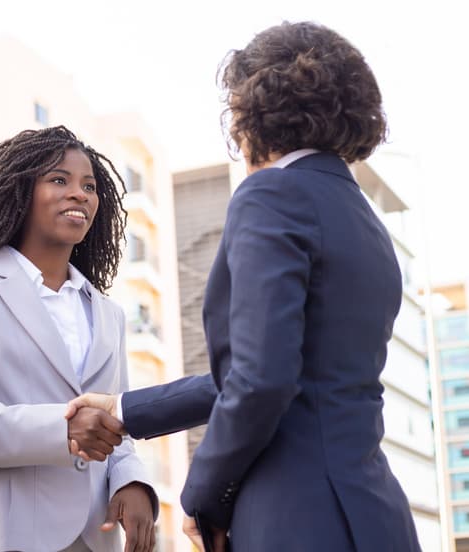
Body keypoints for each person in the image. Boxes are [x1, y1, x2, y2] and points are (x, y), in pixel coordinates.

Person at [66, 21, 422, 552]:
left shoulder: (271, 195)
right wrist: (124, 409)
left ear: (250, 107)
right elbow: (279, 370)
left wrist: (203, 493)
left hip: (297, 518)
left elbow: (262, 379)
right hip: (376, 514)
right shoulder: (364, 219)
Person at [0, 126, 157, 552]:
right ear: (21, 192)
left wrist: (131, 480)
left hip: (93, 538)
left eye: (89, 186)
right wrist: (60, 429)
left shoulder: (109, 313)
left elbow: (116, 423)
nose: (79, 194)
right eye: (59, 180)